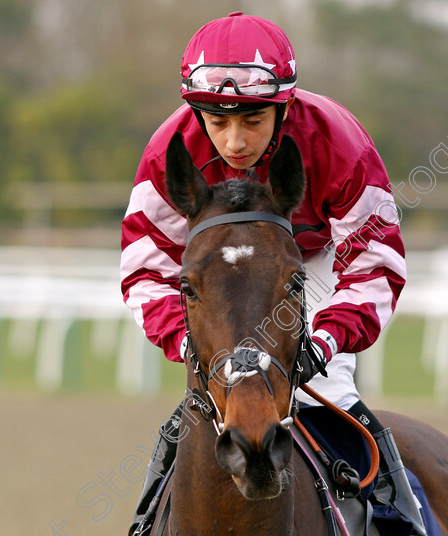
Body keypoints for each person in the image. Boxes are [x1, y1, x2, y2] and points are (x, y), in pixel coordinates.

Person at [121, 12, 431, 536]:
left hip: (316, 260)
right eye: (217, 122)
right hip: (220, 270)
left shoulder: (338, 143)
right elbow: (146, 271)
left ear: (284, 108)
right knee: (206, 397)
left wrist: (325, 342)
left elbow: (375, 261)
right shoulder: (166, 153)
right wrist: (189, 344)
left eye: (252, 121)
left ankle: (403, 514)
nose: (235, 142)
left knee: (328, 385)